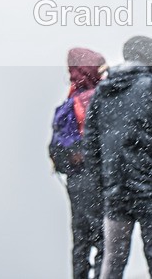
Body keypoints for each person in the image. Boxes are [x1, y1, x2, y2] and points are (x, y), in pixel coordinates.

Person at [83, 36, 152, 279]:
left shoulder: (102, 92)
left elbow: (91, 146)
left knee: (113, 262)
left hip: (115, 192)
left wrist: (104, 185)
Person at [64, 47, 107, 279]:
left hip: (76, 182)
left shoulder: (68, 103)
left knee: (81, 240)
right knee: (104, 240)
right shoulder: (97, 97)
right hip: (96, 178)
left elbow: (58, 150)